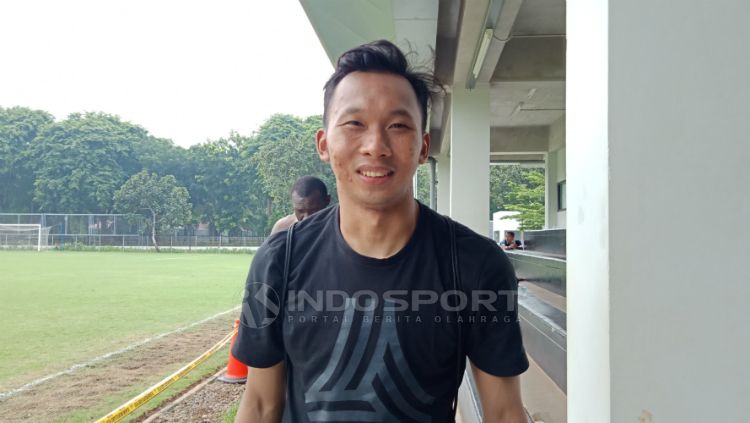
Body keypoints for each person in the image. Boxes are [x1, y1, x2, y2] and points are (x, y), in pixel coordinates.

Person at [233, 40, 528, 423]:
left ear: (423, 148)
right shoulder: (279, 261)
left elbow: (504, 413)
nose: (376, 146)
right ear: (324, 144)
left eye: (398, 125)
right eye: (354, 123)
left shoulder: (475, 264)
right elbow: (259, 406)